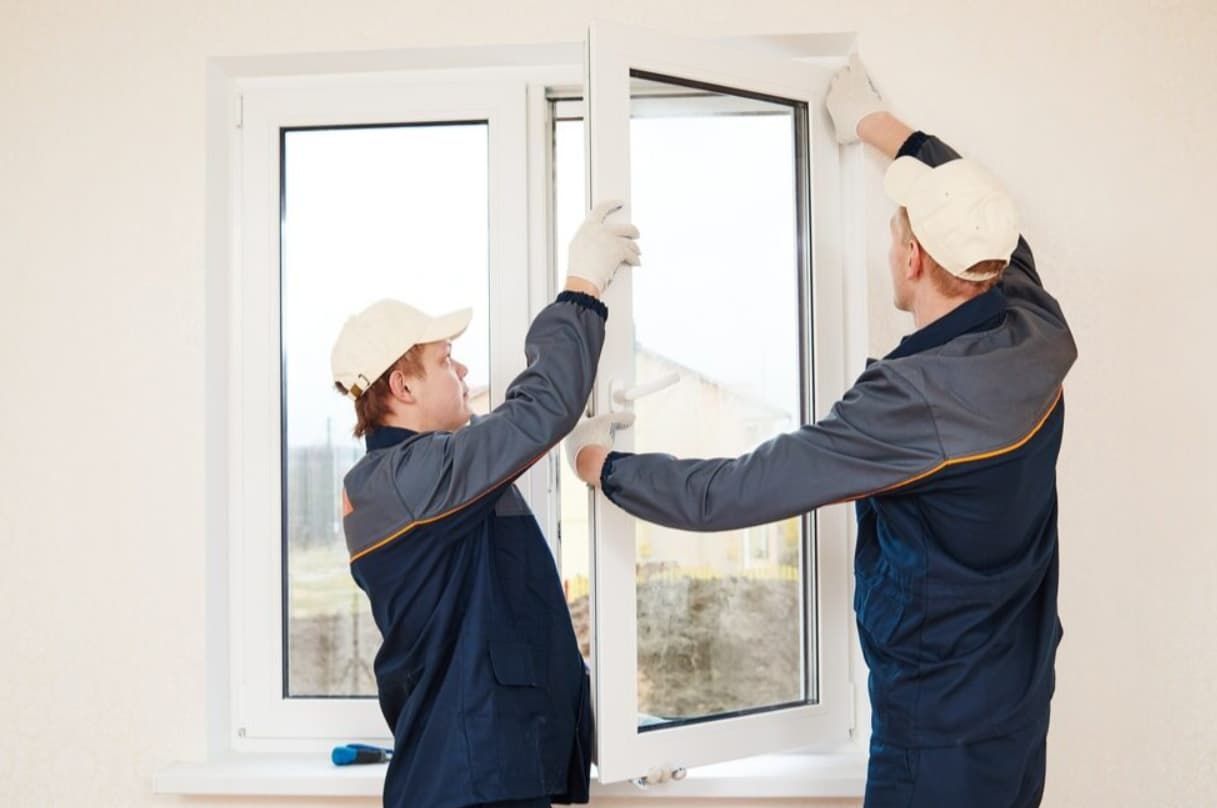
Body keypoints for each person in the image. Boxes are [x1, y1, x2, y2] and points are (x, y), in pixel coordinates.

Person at [564, 56, 1077, 808]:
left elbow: (729, 495)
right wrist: (879, 126)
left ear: (908, 256)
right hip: (1016, 699)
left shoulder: (913, 403)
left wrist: (601, 465)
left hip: (935, 729)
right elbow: (983, 206)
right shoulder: (1033, 324)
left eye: (895, 230)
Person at [331, 201, 640, 808]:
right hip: (465, 785)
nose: (464, 370)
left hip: (474, 777)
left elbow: (508, 441)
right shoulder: (407, 480)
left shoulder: (413, 478)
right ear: (403, 386)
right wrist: (582, 289)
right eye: (446, 360)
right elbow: (536, 415)